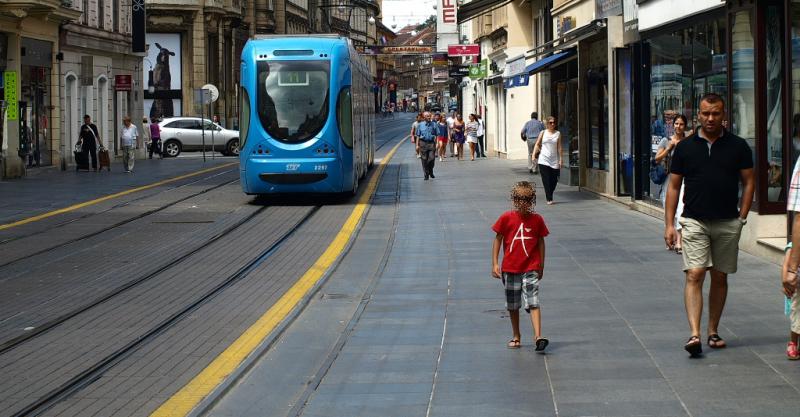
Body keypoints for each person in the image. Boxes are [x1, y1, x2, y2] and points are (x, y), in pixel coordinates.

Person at [664, 93, 755, 357]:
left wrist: (742, 216)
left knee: (720, 275)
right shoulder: (685, 147)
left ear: (724, 115)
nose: (710, 118)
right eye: (705, 113)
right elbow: (673, 186)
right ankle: (695, 334)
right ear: (698, 115)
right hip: (694, 220)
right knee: (695, 273)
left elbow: (749, 181)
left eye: (715, 113)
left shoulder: (738, 147)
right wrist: (669, 224)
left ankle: (713, 330)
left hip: (728, 221)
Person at [491, 181, 550, 351]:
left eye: (526, 199)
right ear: (514, 200)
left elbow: (541, 242)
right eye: (519, 199)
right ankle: (516, 335)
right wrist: (495, 263)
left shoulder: (537, 220)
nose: (522, 202)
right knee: (513, 304)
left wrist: (541, 265)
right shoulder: (506, 218)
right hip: (510, 268)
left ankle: (538, 336)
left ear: (532, 201)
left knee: (533, 301)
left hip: (530, 267)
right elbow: (498, 240)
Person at [655, 114, 689, 253]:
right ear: (672, 125)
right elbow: (657, 159)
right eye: (676, 124)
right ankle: (671, 236)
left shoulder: (688, 142)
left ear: (684, 126)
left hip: (684, 179)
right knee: (669, 208)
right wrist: (669, 148)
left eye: (681, 124)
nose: (678, 127)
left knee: (681, 208)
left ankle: (679, 242)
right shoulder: (666, 140)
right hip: (669, 179)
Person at [533, 116, 562, 205]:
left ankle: (550, 193)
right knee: (546, 179)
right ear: (547, 124)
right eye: (550, 122)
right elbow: (537, 144)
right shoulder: (543, 133)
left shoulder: (558, 133)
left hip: (554, 160)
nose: (552, 124)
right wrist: (534, 155)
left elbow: (560, 147)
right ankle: (549, 198)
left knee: (554, 179)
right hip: (543, 159)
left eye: (554, 122)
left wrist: (561, 159)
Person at [781, 243, 800, 360]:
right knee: (797, 315)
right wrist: (785, 282)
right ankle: (793, 343)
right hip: (798, 286)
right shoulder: (794, 245)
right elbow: (786, 265)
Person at [415, 111, 437, 180]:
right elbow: (418, 135)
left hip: (431, 143)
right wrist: (417, 145)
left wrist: (437, 143)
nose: (429, 117)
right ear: (424, 117)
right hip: (423, 143)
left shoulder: (434, 124)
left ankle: (430, 170)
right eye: (427, 116)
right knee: (424, 159)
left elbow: (437, 135)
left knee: (432, 158)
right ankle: (426, 174)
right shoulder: (420, 125)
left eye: (430, 116)